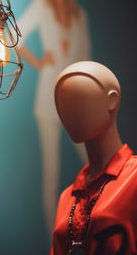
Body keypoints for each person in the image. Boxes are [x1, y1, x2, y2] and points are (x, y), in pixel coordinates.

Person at [18, 0, 91, 239]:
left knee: (93, 165)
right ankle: (54, 240)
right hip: (47, 100)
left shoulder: (78, 14)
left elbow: (85, 57)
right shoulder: (41, 5)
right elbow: (15, 35)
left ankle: (91, 229)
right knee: (52, 172)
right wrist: (38, 62)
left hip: (75, 102)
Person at [51, 61, 137, 254]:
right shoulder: (68, 196)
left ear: (112, 100)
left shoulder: (134, 178)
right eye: (63, 105)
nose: (69, 114)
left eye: (80, 100)